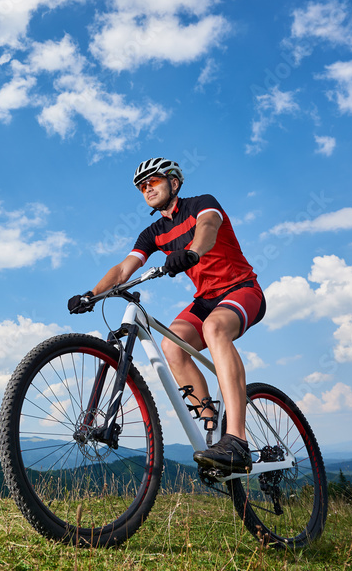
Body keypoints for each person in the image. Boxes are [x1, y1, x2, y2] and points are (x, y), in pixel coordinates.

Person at [68, 157, 266, 473]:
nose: (147, 189)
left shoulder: (202, 204)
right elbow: (123, 269)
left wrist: (192, 252)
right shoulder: (154, 233)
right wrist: (91, 294)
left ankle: (237, 440)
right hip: (204, 300)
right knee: (172, 347)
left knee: (215, 329)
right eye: (142, 186)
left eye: (153, 182)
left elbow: (208, 229)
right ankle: (214, 432)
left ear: (174, 182)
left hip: (241, 289)